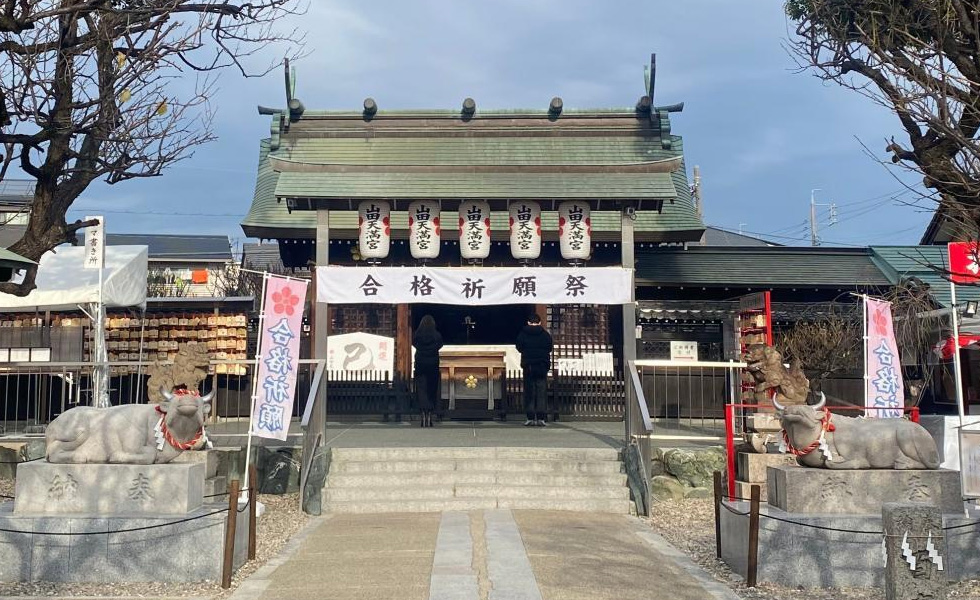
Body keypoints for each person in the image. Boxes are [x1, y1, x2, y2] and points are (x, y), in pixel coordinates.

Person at [516, 313, 553, 426]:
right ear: (540, 322)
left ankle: (530, 417)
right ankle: (541, 417)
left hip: (528, 365)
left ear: (528, 322)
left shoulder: (523, 334)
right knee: (541, 390)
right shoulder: (545, 334)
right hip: (542, 365)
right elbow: (549, 347)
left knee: (529, 391)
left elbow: (519, 347)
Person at [412, 315, 444, 427]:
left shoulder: (417, 335)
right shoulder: (436, 335)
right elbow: (440, 345)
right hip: (433, 364)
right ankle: (430, 414)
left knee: (421, 389)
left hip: (420, 364)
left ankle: (422, 415)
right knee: (431, 390)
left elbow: (414, 343)